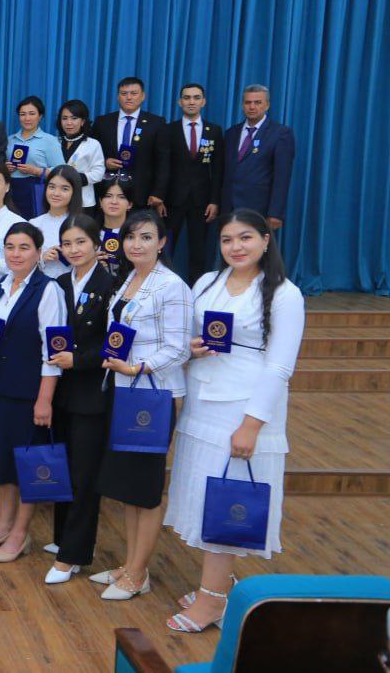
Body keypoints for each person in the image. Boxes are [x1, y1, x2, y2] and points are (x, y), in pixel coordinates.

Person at [162, 210, 303, 631]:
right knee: (206, 495)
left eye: (245, 238)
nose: (236, 247)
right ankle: (220, 585)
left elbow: (280, 367)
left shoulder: (285, 294)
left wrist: (252, 424)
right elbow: (188, 335)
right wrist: (191, 348)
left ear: (265, 240)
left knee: (228, 501)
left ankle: (213, 601)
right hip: (203, 400)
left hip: (242, 407)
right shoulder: (207, 281)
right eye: (227, 239)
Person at [92, 210, 192, 600]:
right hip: (124, 390)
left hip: (154, 394)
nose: (137, 244)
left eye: (146, 237)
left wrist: (136, 367)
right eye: (131, 237)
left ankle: (138, 573)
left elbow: (179, 348)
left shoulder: (172, 286)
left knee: (146, 487)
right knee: (129, 485)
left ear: (162, 243)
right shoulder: (129, 279)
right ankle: (131, 565)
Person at [0, 223, 65, 562]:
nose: (15, 254)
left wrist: (44, 399)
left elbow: (52, 352)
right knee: (2, 460)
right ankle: (3, 526)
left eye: (24, 247)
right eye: (10, 247)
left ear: (39, 252)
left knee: (26, 464)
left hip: (28, 392)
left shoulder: (48, 290)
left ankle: (20, 534)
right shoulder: (2, 284)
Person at [44, 214, 116, 584]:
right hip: (61, 390)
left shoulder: (111, 285)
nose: (73, 250)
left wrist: (80, 360)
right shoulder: (59, 283)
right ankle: (62, 539)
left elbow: (115, 343)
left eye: (81, 242)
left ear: (96, 243)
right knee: (63, 465)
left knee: (84, 474)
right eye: (67, 243)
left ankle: (73, 554)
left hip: (92, 391)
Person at [154, 83, 224, 282]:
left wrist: (214, 201)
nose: (191, 102)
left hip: (202, 201)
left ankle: (197, 289)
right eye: (187, 98)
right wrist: (159, 198)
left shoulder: (214, 131)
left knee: (199, 249)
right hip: (172, 200)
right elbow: (162, 166)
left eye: (196, 97)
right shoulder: (169, 130)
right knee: (165, 246)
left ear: (203, 101)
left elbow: (218, 170)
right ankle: (160, 285)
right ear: (180, 102)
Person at [221, 84, 294, 231]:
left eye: (258, 102)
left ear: (267, 105)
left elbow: (282, 177)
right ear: (242, 105)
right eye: (248, 102)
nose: (252, 107)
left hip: (259, 209)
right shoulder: (231, 133)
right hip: (228, 208)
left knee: (255, 245)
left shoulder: (280, 134)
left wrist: (275, 213)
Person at [90, 77, 168, 213]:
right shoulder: (102, 122)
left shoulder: (156, 123)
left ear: (143, 96)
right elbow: (91, 153)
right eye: (124, 93)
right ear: (118, 97)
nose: (129, 97)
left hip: (142, 194)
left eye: (134, 93)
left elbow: (163, 161)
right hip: (107, 191)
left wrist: (158, 192)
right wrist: (104, 162)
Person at [6, 95, 65, 219]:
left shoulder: (50, 140)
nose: (27, 118)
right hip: (10, 190)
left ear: (40, 116)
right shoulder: (10, 140)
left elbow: (61, 172)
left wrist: (36, 171)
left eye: (32, 114)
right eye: (22, 114)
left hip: (35, 190)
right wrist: (5, 168)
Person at [30, 165, 85, 280]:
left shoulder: (83, 226)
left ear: (74, 192)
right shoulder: (34, 224)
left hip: (72, 287)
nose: (56, 193)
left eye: (64, 189)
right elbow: (22, 263)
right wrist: (42, 259)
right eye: (52, 187)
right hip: (40, 286)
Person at [58, 100, 105, 209]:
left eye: (74, 118)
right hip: (57, 199)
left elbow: (99, 173)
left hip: (83, 201)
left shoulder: (93, 144)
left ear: (83, 121)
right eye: (64, 118)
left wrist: (76, 178)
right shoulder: (55, 142)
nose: (69, 123)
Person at [95, 180, 134, 277]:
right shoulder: (89, 232)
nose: (114, 202)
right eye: (108, 196)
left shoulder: (136, 236)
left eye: (121, 197)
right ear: (100, 201)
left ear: (130, 204)